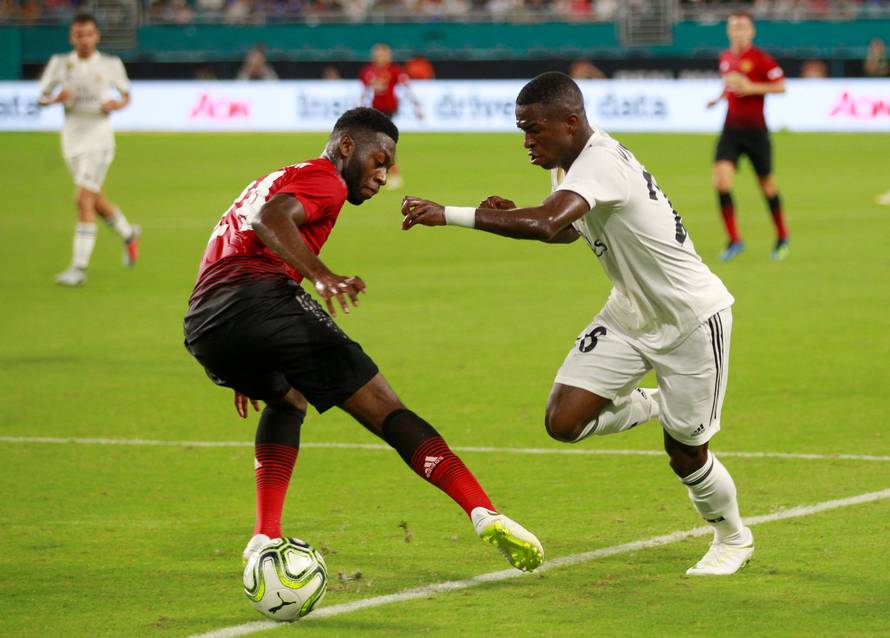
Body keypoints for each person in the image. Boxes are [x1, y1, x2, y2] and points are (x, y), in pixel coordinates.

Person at [402, 72, 753, 576]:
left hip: (690, 319)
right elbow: (563, 230)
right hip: (630, 312)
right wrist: (510, 213)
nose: (526, 142)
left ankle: (733, 538)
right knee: (563, 422)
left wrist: (450, 214)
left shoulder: (601, 162)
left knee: (685, 453)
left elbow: (546, 221)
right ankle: (656, 403)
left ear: (571, 122)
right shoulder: (570, 161)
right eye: (521, 130)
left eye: (534, 130)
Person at [183, 107, 543, 574]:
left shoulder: (279, 176)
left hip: (206, 323)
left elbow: (229, 246)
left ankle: (264, 536)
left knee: (288, 400)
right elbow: (269, 221)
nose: (381, 175)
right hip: (260, 299)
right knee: (386, 408)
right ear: (347, 146)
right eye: (379, 160)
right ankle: (483, 511)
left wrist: (242, 348)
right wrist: (321, 275)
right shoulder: (325, 179)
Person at [38, 13, 141, 287]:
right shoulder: (60, 64)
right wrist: (53, 98)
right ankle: (129, 233)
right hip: (71, 139)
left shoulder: (110, 64)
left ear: (96, 36)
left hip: (98, 138)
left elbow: (126, 95)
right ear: (72, 37)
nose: (84, 40)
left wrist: (115, 105)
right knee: (94, 200)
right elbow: (41, 97)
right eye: (79, 35)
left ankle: (79, 269)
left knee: (82, 199)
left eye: (89, 34)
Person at [706, 11, 788, 262]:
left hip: (756, 132)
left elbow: (781, 86)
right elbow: (729, 84)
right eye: (734, 27)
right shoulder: (726, 57)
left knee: (767, 186)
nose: (739, 32)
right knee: (721, 182)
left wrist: (753, 87)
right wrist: (719, 98)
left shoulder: (762, 60)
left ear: (752, 31)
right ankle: (734, 240)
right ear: (729, 31)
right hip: (730, 129)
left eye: (743, 27)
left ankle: (782, 236)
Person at [358, 43, 423, 189]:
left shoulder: (394, 70)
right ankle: (384, 174)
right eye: (378, 55)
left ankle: (391, 175)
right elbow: (365, 91)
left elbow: (407, 89)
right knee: (378, 143)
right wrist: (359, 107)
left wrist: (416, 107)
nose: (381, 57)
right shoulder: (368, 71)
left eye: (383, 54)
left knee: (380, 143)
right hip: (375, 110)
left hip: (388, 109)